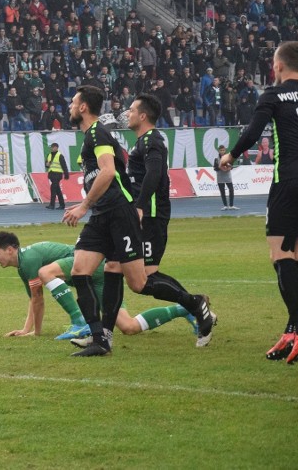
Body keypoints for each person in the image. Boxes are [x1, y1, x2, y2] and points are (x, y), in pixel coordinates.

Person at [62, 86, 215, 356]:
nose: (70, 107)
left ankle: (194, 304)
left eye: (73, 102)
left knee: (140, 281)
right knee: (86, 270)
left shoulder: (108, 134)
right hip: (105, 213)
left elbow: (116, 172)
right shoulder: (113, 138)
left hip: (128, 214)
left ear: (83, 107)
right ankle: (100, 337)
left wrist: (135, 207)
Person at [219, 41, 298, 364]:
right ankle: (293, 332)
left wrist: (230, 156)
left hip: (288, 181)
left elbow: (253, 132)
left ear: (277, 65)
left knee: (279, 254)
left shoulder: (273, 95)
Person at [123, 94, 217, 348]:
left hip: (151, 215)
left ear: (143, 116)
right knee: (141, 279)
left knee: (143, 280)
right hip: (147, 214)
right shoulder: (143, 141)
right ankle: (196, 305)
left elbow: (155, 173)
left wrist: (141, 207)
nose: (128, 113)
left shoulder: (152, 140)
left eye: (132, 110)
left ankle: (195, 304)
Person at [0, 232, 196, 340]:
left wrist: (34, 332)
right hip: (99, 276)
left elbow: (38, 298)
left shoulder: (29, 260)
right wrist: (29, 331)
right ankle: (185, 308)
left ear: (11, 249)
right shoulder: (24, 265)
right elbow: (35, 300)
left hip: (91, 267)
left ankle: (79, 321)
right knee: (128, 327)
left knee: (46, 272)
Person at [44, 142, 69, 209]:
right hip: (52, 174)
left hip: (57, 174)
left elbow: (64, 165)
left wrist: (66, 174)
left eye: (53, 147)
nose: (52, 148)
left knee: (53, 189)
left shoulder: (60, 155)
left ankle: (52, 205)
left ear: (56, 148)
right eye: (51, 147)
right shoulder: (49, 155)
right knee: (57, 190)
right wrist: (47, 164)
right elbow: (46, 165)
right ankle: (62, 205)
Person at [213, 145, 237, 210]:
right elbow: (215, 168)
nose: (222, 151)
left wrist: (229, 168)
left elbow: (231, 165)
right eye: (221, 150)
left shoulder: (228, 158)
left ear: (225, 150)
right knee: (222, 191)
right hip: (220, 177)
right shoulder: (216, 159)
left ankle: (231, 205)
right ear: (219, 151)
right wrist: (221, 168)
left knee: (231, 190)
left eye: (223, 150)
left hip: (227, 176)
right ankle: (225, 205)